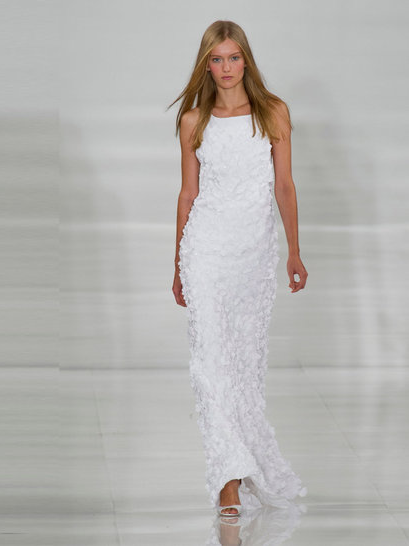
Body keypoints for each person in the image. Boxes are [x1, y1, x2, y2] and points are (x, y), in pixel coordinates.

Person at [170, 20, 308, 517]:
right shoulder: (193, 120)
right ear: (206, 65)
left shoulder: (273, 112)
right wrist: (178, 264)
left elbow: (284, 185)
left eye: (233, 57)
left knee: (243, 365)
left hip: (254, 252)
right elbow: (188, 194)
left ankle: (246, 459)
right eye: (216, 59)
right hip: (205, 249)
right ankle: (227, 478)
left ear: (245, 59)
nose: (225, 67)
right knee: (210, 361)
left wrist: (294, 251)